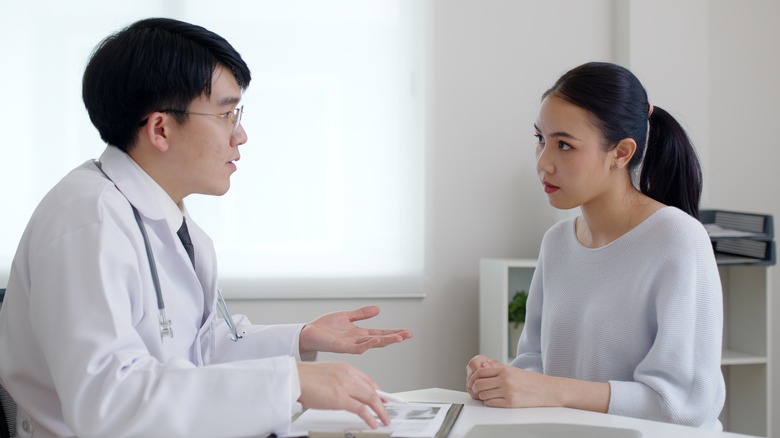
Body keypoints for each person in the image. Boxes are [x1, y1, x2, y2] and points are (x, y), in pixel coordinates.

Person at [0, 17, 412, 438]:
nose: (242, 135)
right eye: (226, 114)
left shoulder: (163, 216)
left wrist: (300, 339)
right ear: (160, 128)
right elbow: (109, 402)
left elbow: (193, 352)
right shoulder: (88, 220)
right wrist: (292, 382)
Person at [466, 62, 725, 429]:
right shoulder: (556, 243)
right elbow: (533, 364)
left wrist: (550, 390)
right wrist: (501, 382)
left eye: (564, 145)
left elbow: (682, 403)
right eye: (540, 139)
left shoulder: (677, 238)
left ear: (620, 153)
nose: (544, 163)